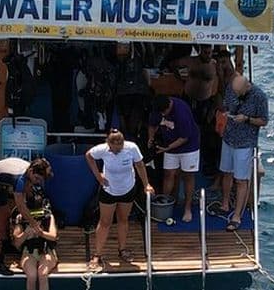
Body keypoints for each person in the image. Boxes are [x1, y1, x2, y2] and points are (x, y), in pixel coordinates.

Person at [85, 130, 154, 272]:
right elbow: (89, 156)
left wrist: (146, 184)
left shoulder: (132, 148)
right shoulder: (102, 150)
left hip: (127, 189)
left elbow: (140, 165)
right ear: (108, 144)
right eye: (113, 148)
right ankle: (97, 254)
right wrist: (98, 176)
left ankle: (122, 249)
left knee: (123, 219)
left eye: (119, 147)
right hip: (108, 190)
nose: (117, 150)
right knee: (105, 222)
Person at [0, 157, 53, 275]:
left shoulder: (30, 170)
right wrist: (35, 226)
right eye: (37, 178)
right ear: (31, 171)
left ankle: (6, 244)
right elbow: (21, 208)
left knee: (5, 215)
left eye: (40, 180)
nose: (37, 182)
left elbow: (28, 189)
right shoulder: (19, 179)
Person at [219, 75, 269, 231]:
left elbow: (264, 121)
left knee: (241, 180)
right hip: (228, 138)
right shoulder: (231, 89)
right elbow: (226, 105)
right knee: (226, 172)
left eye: (238, 92)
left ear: (247, 87)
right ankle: (225, 203)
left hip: (245, 143)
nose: (236, 94)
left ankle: (237, 216)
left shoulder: (259, 96)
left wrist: (247, 119)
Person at [147, 95, 201, 222]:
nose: (161, 115)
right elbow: (152, 124)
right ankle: (165, 202)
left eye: (163, 113)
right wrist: (151, 138)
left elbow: (184, 138)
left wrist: (168, 148)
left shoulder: (182, 112)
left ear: (168, 107)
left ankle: (187, 208)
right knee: (168, 174)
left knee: (188, 175)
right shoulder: (158, 110)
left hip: (189, 147)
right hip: (169, 145)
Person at [12, 190, 58, 290]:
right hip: (29, 252)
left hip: (47, 251)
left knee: (42, 274)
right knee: (32, 275)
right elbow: (16, 243)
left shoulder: (48, 216)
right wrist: (26, 233)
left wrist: (40, 232)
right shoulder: (21, 218)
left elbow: (53, 236)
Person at [114, 42, 150, 143]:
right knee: (128, 115)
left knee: (131, 115)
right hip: (129, 91)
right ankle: (129, 136)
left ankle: (130, 136)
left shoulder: (140, 46)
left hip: (132, 91)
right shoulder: (140, 46)